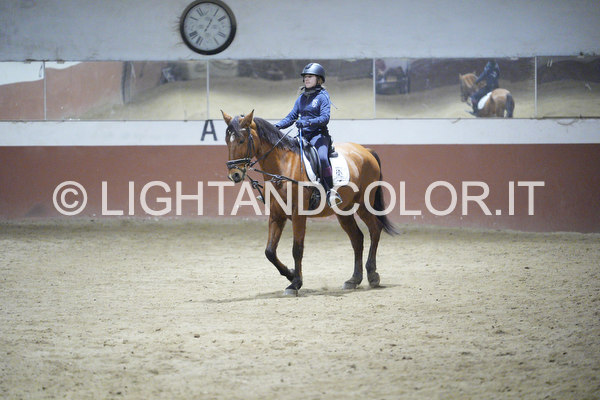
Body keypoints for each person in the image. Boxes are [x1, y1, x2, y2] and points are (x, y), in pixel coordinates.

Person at [274, 62, 342, 207]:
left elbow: (325, 118)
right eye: (305, 77)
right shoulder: (301, 98)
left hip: (319, 136)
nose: (306, 79)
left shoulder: (323, 97)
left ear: (319, 79)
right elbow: (291, 117)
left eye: (310, 76)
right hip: (302, 137)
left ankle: (330, 192)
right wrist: (277, 126)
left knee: (322, 158)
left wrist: (307, 122)